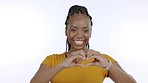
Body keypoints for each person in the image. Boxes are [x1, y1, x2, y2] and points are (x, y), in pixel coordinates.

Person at [30, 5, 136, 83]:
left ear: (90, 32)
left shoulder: (102, 60)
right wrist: (63, 65)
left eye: (85, 30)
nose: (79, 35)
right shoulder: (52, 60)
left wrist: (108, 65)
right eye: (74, 29)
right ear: (66, 31)